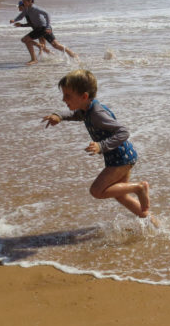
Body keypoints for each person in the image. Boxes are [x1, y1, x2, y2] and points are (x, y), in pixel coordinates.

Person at [41, 69, 152, 220]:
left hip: (121, 158)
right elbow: (76, 115)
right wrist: (59, 116)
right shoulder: (87, 108)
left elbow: (123, 132)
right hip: (120, 157)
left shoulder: (97, 114)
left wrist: (101, 146)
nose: (63, 99)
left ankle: (139, 188)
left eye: (67, 95)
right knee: (120, 195)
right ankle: (151, 221)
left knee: (97, 191)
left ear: (84, 96)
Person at [10, 0, 77, 64]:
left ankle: (34, 59)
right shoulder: (26, 9)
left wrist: (47, 27)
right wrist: (15, 20)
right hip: (41, 28)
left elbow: (47, 14)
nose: (23, 3)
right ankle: (72, 54)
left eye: (24, 1)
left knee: (25, 39)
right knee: (55, 45)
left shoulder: (35, 8)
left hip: (43, 28)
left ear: (30, 1)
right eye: (22, 1)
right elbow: (21, 16)